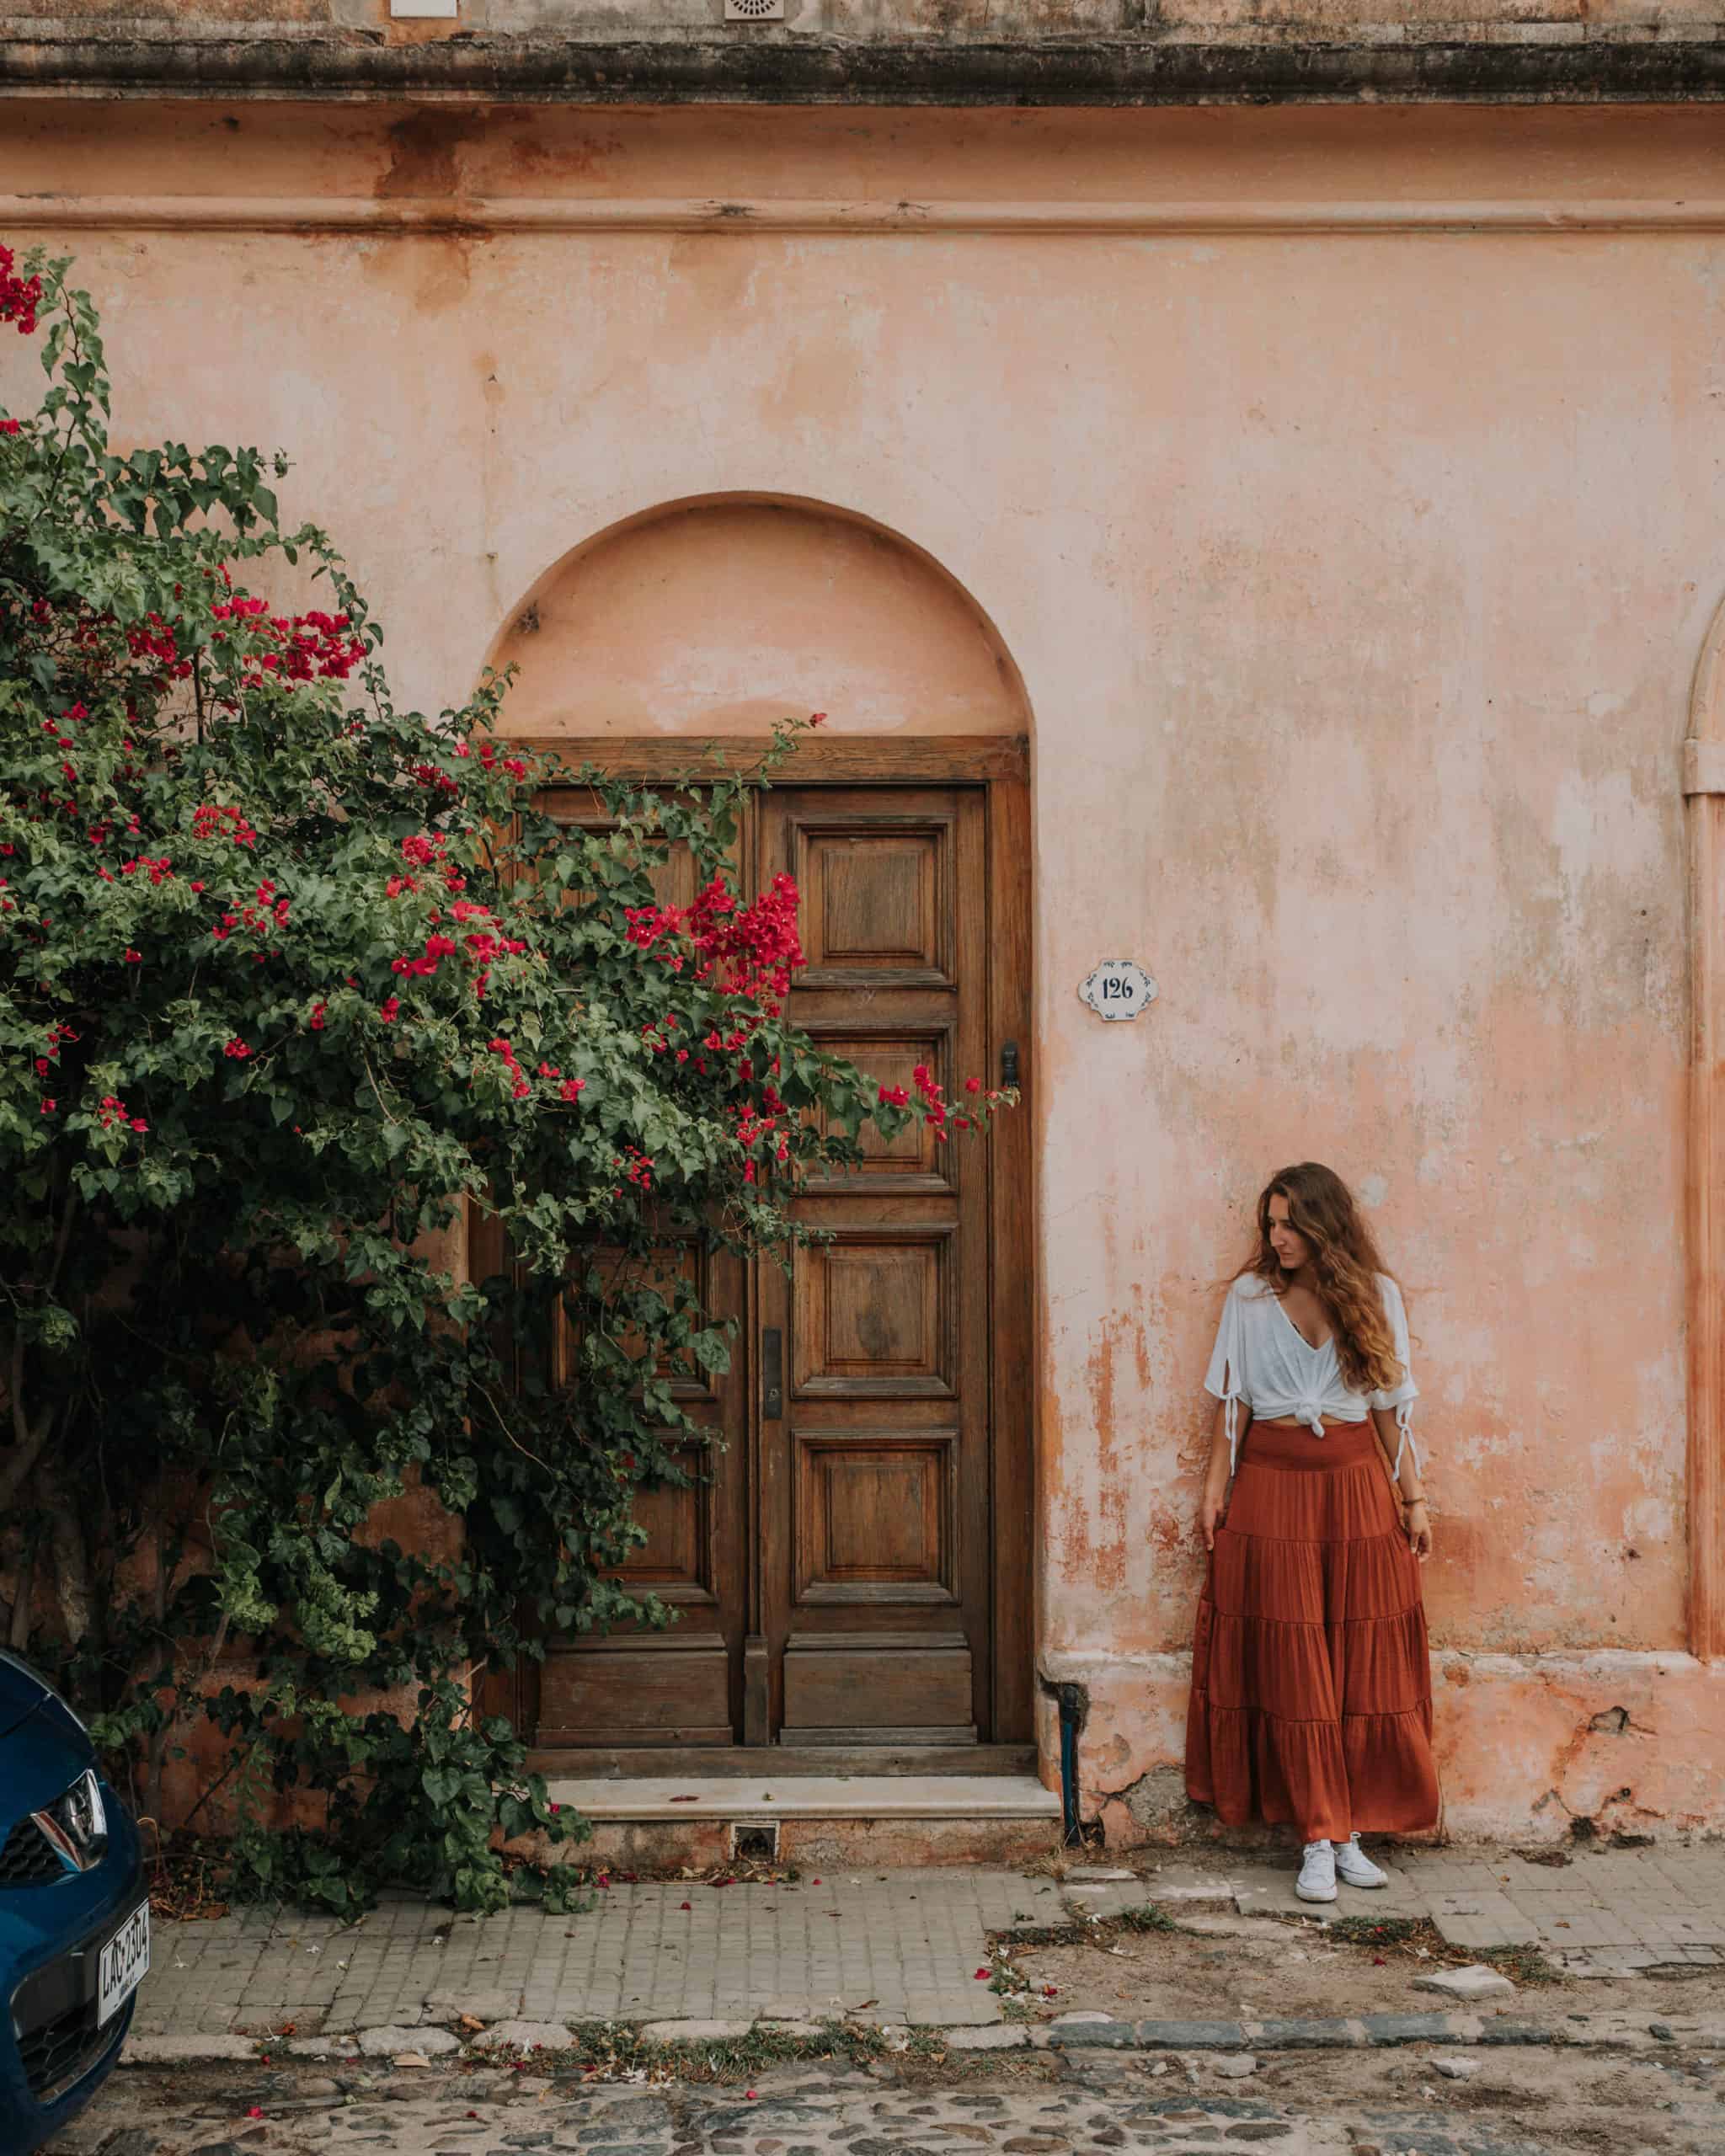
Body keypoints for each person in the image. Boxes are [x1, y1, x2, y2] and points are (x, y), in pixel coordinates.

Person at [1183, 1161, 1438, 1903]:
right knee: (1294, 1659)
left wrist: (1414, 1502)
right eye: (1270, 1223)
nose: (1277, 1237)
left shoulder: (1376, 1295)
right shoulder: (1250, 1299)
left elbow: (1390, 1409)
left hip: (1357, 1487)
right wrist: (1213, 1490)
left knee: (1358, 1658)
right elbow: (1232, 1408)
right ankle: (1316, 1838)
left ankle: (1349, 1830)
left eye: (1290, 1223)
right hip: (1271, 1487)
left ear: (1325, 1223)